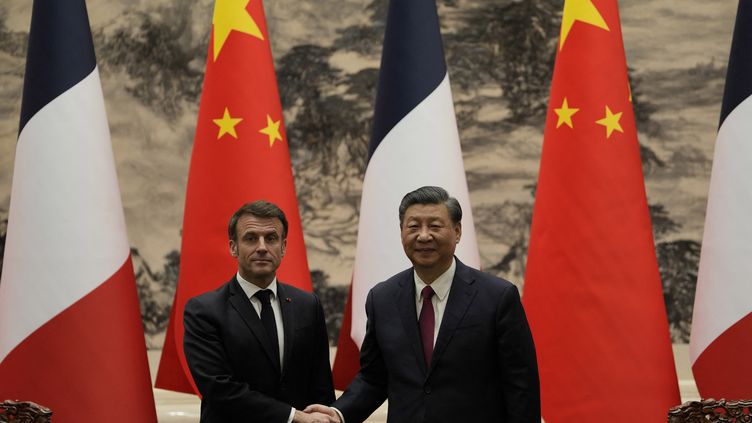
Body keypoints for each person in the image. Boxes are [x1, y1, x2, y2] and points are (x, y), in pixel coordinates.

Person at [308, 186, 540, 422]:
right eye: (413, 226)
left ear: (457, 231)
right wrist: (339, 413)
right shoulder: (382, 298)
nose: (424, 235)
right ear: (401, 232)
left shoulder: (497, 297)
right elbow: (374, 378)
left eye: (435, 226)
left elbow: (521, 384)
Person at [184, 200, 335, 423]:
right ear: (233, 247)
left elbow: (321, 385)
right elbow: (219, 388)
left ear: (283, 247)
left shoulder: (308, 305)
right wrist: (293, 417)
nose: (262, 247)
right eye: (251, 238)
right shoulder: (204, 311)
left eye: (271, 238)